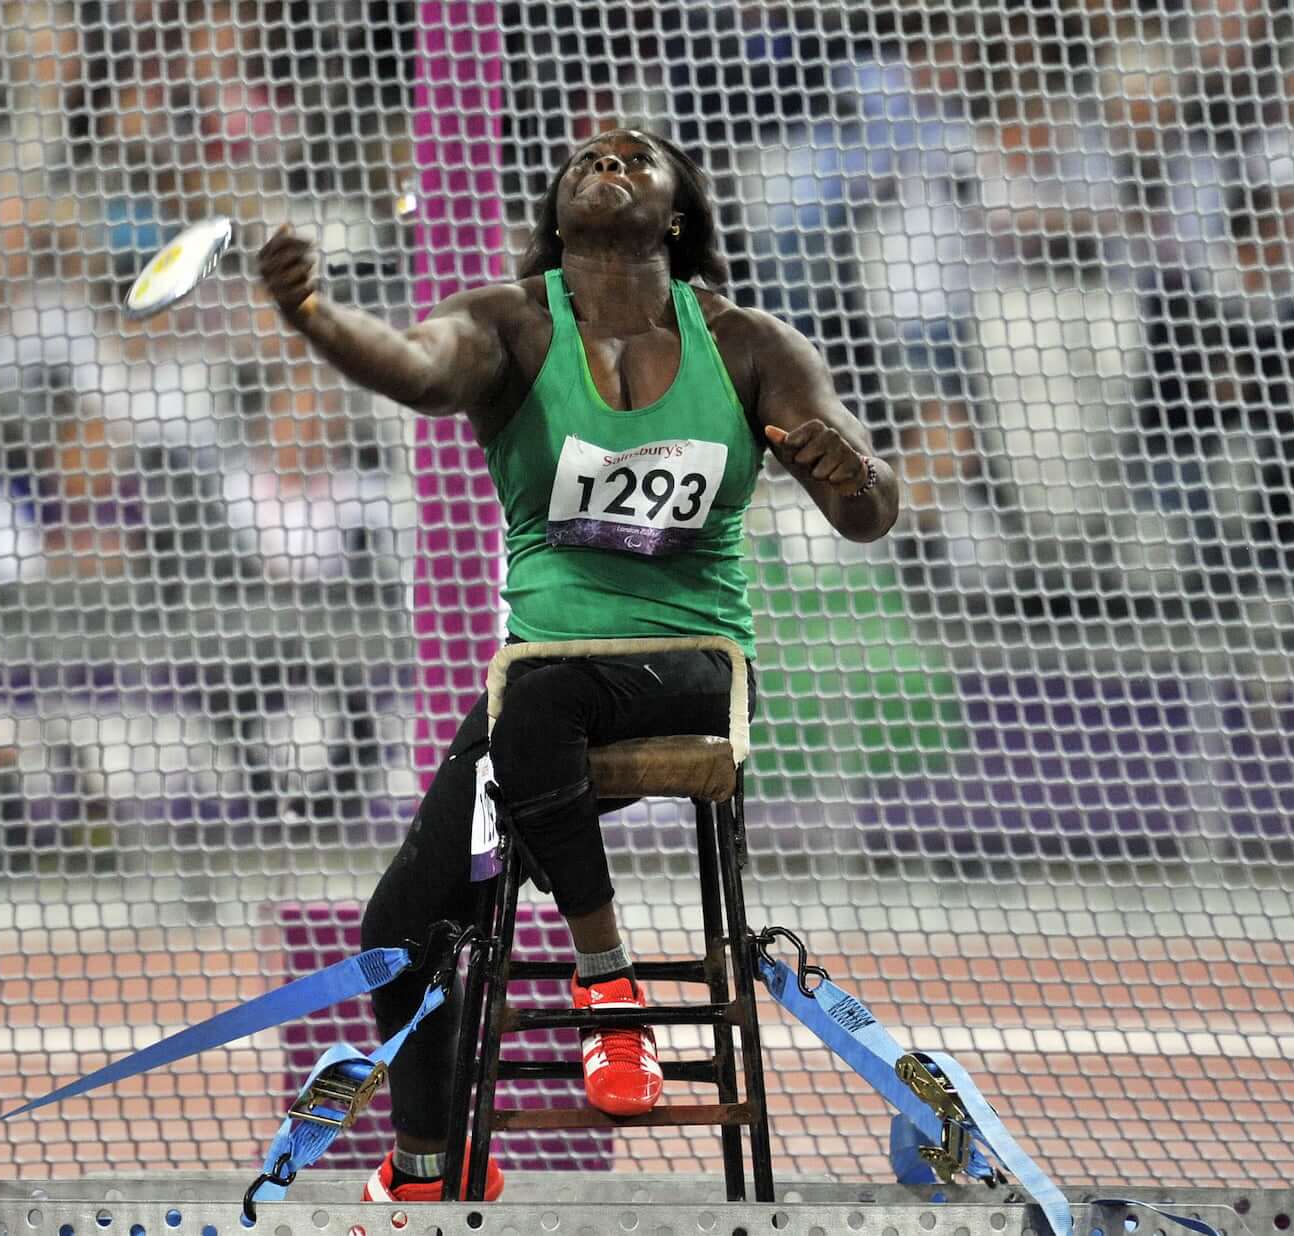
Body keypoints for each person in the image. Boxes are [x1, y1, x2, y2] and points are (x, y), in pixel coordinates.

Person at [256, 128, 900, 1203]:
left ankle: (610, 990)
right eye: (587, 159)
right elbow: (416, 371)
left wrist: (860, 475)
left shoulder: (748, 346)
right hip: (542, 684)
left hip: (691, 663)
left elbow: (866, 510)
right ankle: (433, 1167)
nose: (610, 161)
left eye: (637, 156)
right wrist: (317, 315)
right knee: (399, 924)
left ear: (680, 212)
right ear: (556, 214)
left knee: (539, 694)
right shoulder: (509, 325)